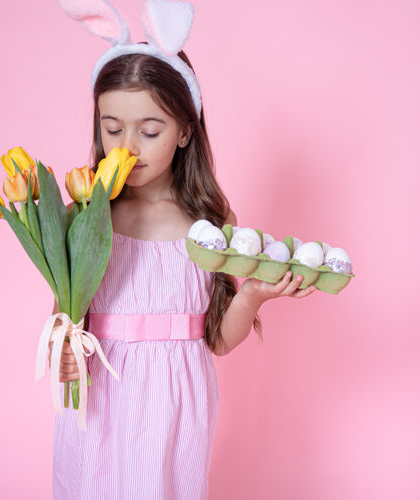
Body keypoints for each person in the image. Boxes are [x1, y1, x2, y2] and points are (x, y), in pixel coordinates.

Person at [46, 4, 315, 499]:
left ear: (185, 131)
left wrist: (251, 295)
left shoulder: (211, 225)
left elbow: (216, 340)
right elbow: (66, 315)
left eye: (149, 131)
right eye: (112, 128)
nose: (127, 146)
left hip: (177, 405)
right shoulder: (85, 216)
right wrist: (64, 349)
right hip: (99, 398)